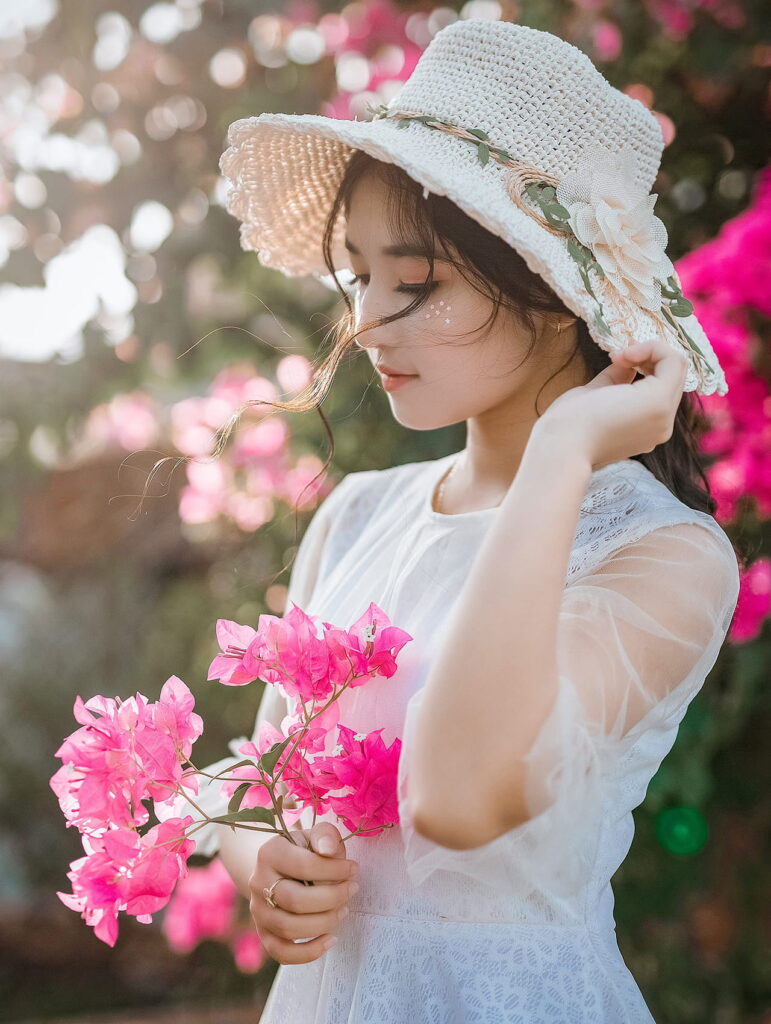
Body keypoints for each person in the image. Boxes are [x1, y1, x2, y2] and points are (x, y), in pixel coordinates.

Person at [183, 19, 740, 1022]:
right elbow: (257, 766)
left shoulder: (667, 555)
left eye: (418, 281)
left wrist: (564, 453)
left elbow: (457, 796)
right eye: (359, 274)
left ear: (559, 294)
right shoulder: (354, 516)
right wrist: (258, 853)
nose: (367, 322)